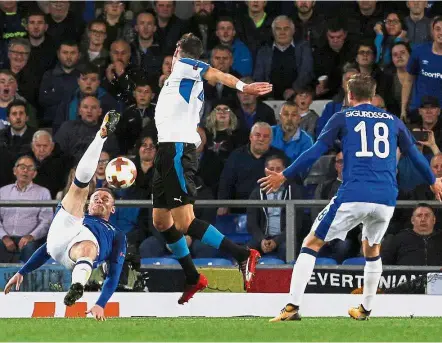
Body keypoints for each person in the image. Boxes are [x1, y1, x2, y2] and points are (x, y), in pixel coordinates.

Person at [258, 74, 442, 321]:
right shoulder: (393, 121)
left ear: (350, 95)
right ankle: (365, 309)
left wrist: (285, 175)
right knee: (372, 249)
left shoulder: (343, 117)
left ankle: (292, 306)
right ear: (373, 94)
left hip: (354, 193)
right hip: (386, 197)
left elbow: (316, 150)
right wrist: (434, 182)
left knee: (311, 244)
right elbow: (415, 156)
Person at [153, 33, 272, 304]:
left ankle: (242, 254)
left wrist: (244, 87)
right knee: (161, 220)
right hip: (166, 151)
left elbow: (216, 74)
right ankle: (193, 276)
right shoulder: (180, 78)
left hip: (176, 151)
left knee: (184, 222)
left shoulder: (185, 65)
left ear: (178, 51)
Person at [4, 110, 126, 321]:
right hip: (65, 231)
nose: (99, 200)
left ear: (113, 209)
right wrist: (22, 271)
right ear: (90, 206)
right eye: (96, 198)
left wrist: (100, 304)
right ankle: (101, 136)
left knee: (88, 246)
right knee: (80, 188)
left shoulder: (116, 235)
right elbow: (47, 248)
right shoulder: (83, 213)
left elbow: (114, 273)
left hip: (78, 254)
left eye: (106, 199)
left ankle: (77, 286)